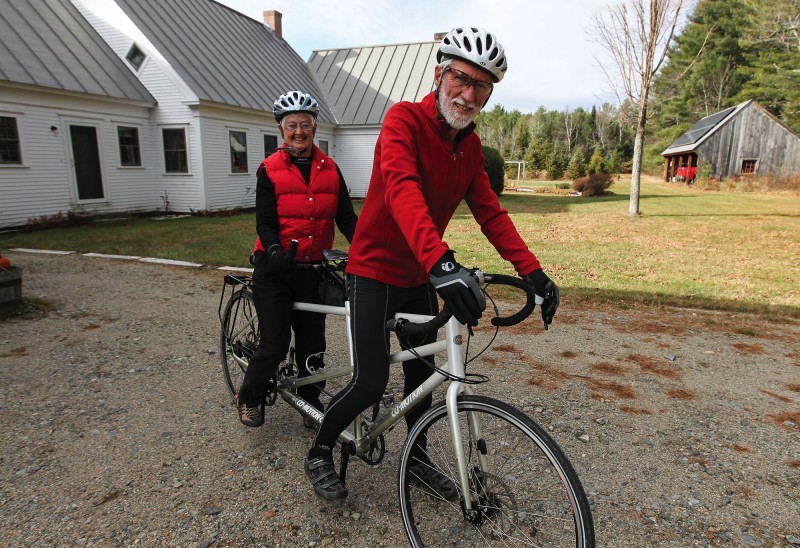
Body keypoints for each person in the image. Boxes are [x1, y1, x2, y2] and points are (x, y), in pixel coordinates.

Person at [304, 27, 560, 501]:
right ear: (440, 73)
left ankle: (416, 462)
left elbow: (491, 213)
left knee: (422, 379)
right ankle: (319, 450)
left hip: (418, 273)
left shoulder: (470, 148)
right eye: (460, 79)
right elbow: (402, 189)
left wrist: (534, 272)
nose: (467, 94)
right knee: (370, 380)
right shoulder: (403, 120)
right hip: (374, 270)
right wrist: (441, 263)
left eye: (481, 86)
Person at [236, 91, 358, 429]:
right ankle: (249, 396)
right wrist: (274, 250)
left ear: (315, 127)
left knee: (313, 345)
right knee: (275, 344)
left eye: (305, 124)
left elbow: (346, 218)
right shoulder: (270, 169)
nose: (299, 131)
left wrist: (367, 245)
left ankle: (309, 401)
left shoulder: (330, 169)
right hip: (274, 268)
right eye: (292, 125)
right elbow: (265, 221)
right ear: (281, 129)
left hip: (312, 270)